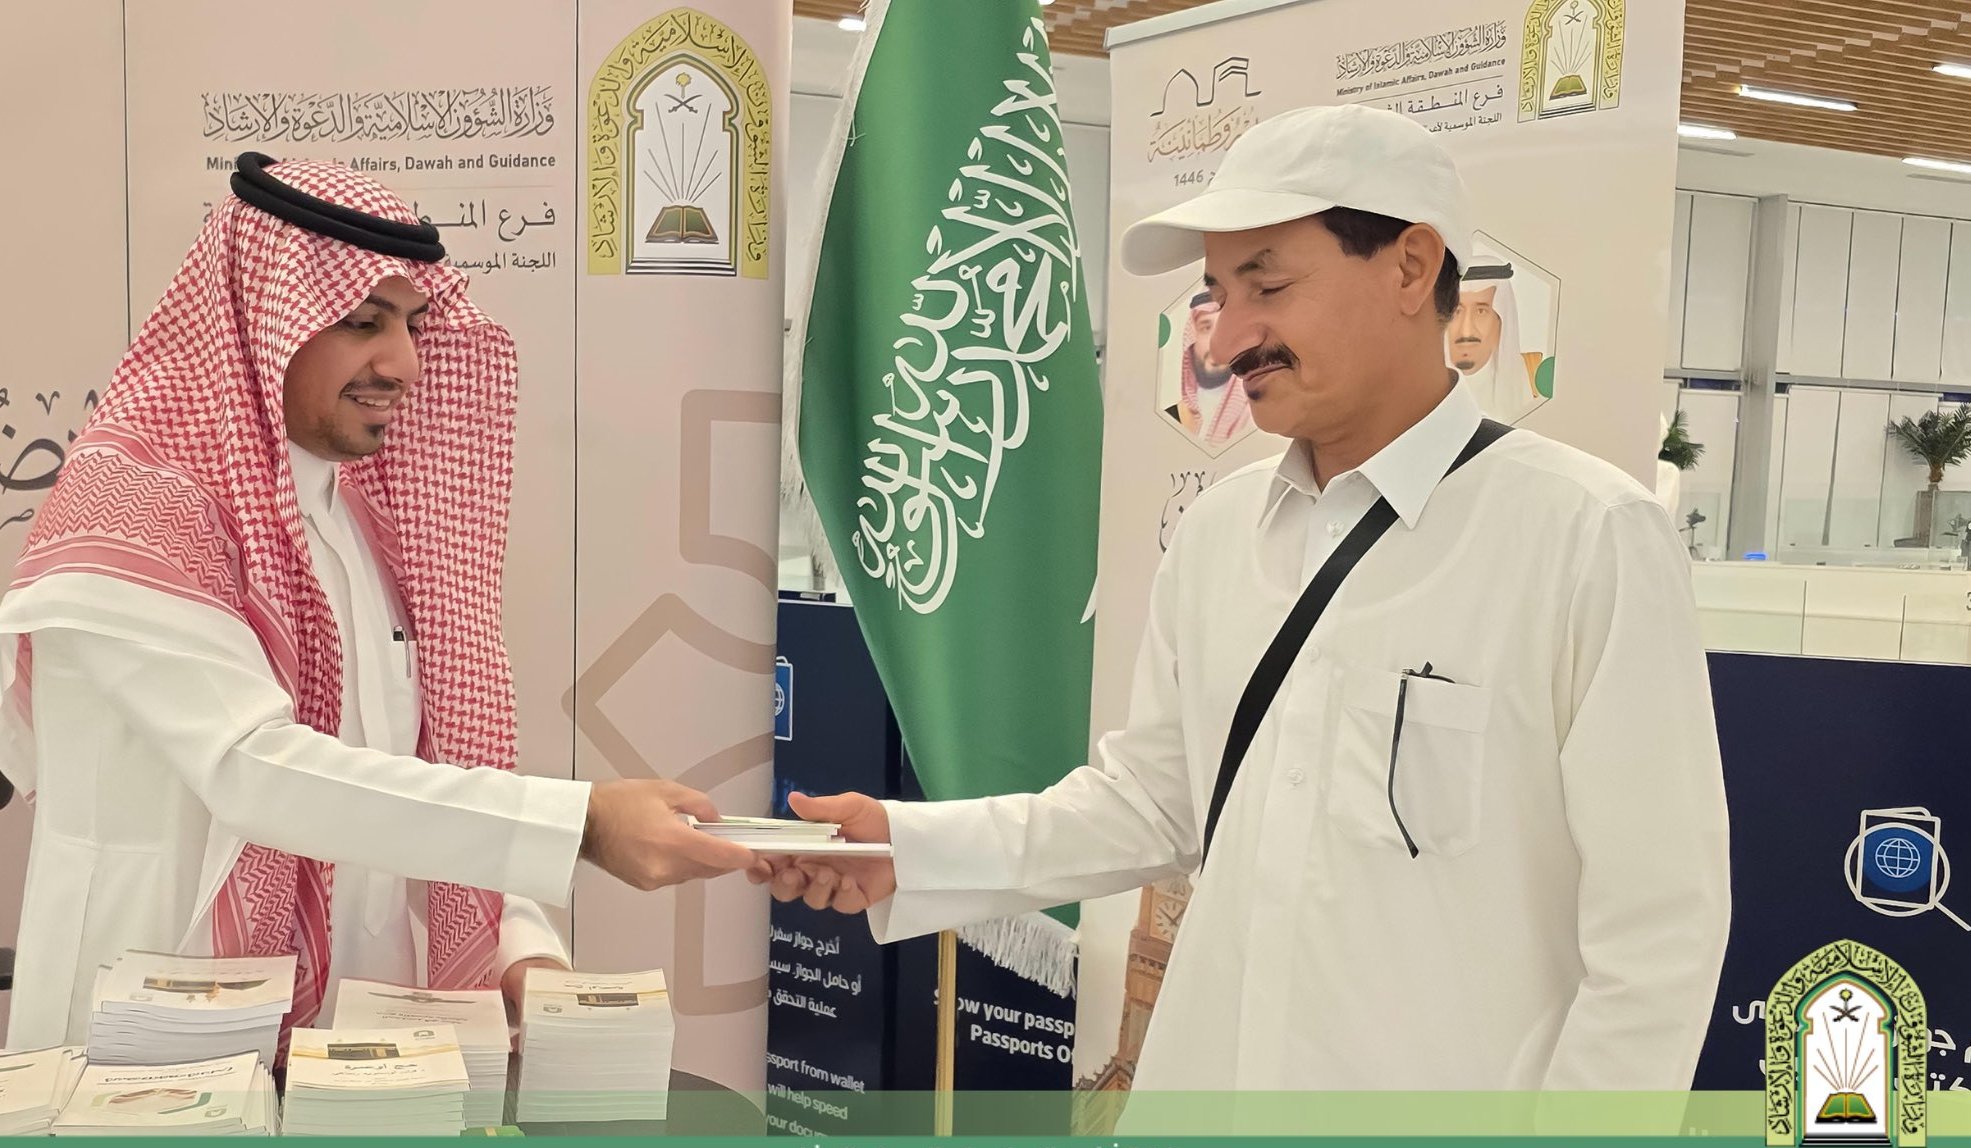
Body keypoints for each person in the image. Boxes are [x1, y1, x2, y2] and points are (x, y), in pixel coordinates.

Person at [756, 105, 1731, 1095]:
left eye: (1267, 286)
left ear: (1409, 268)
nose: (1225, 340)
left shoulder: (1584, 536)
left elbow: (1659, 932)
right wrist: (909, 848)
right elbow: (1150, 803)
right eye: (1216, 295)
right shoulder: (1222, 531)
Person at [0, 154, 759, 1051]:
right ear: (260, 320)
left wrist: (520, 947)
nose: (402, 363)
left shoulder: (360, 522)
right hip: (149, 1034)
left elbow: (419, 761)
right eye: (363, 322)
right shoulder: (132, 511)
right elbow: (256, 771)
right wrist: (582, 824)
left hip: (356, 1043)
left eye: (412, 324)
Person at [1447, 261, 1542, 423]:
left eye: (1481, 311)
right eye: (1457, 311)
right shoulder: (1417, 386)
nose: (1466, 330)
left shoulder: (1534, 377)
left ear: (1501, 321)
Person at [1163, 293, 1253, 446]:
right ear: (1193, 337)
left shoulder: (1255, 418)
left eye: (1225, 329)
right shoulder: (1169, 418)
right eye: (1206, 328)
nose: (1215, 342)